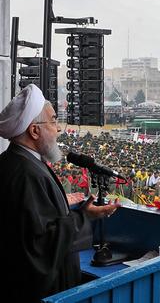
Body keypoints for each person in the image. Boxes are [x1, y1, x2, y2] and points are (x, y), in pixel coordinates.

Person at [0, 85, 119, 302]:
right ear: (34, 131)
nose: (58, 129)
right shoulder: (26, 173)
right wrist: (85, 216)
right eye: (53, 121)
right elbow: (39, 244)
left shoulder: (18, 162)